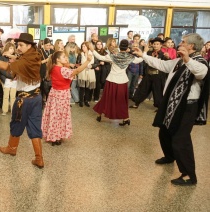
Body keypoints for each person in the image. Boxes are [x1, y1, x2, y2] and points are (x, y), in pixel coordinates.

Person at [132, 33, 209, 186]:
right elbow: (162, 65)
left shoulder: (200, 62)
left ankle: (189, 175)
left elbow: (201, 73)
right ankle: (169, 156)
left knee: (181, 139)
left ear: (191, 46)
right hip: (173, 104)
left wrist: (187, 59)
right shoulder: (179, 61)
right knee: (165, 131)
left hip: (187, 107)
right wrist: (143, 55)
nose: (179, 43)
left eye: (183, 41)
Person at [0, 33, 44, 168]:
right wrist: (12, 56)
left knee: (16, 123)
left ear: (29, 46)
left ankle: (12, 149)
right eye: (18, 45)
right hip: (37, 98)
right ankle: (39, 158)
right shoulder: (34, 55)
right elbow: (20, 59)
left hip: (24, 99)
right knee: (35, 127)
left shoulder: (24, 61)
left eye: (21, 45)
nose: (18, 48)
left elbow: (5, 66)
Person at [42, 51, 92, 146]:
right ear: (57, 59)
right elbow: (76, 71)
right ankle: (57, 136)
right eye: (64, 57)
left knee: (54, 116)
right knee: (60, 116)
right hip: (62, 96)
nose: (66, 58)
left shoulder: (53, 68)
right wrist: (87, 61)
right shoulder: (62, 70)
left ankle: (53, 136)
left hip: (54, 94)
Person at [90, 39, 144, 125]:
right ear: (127, 48)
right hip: (122, 81)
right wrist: (140, 52)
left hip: (112, 80)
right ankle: (126, 119)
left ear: (119, 46)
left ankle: (99, 115)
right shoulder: (130, 57)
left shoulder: (113, 55)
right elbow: (140, 59)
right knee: (122, 101)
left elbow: (100, 57)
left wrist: (92, 50)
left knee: (106, 99)